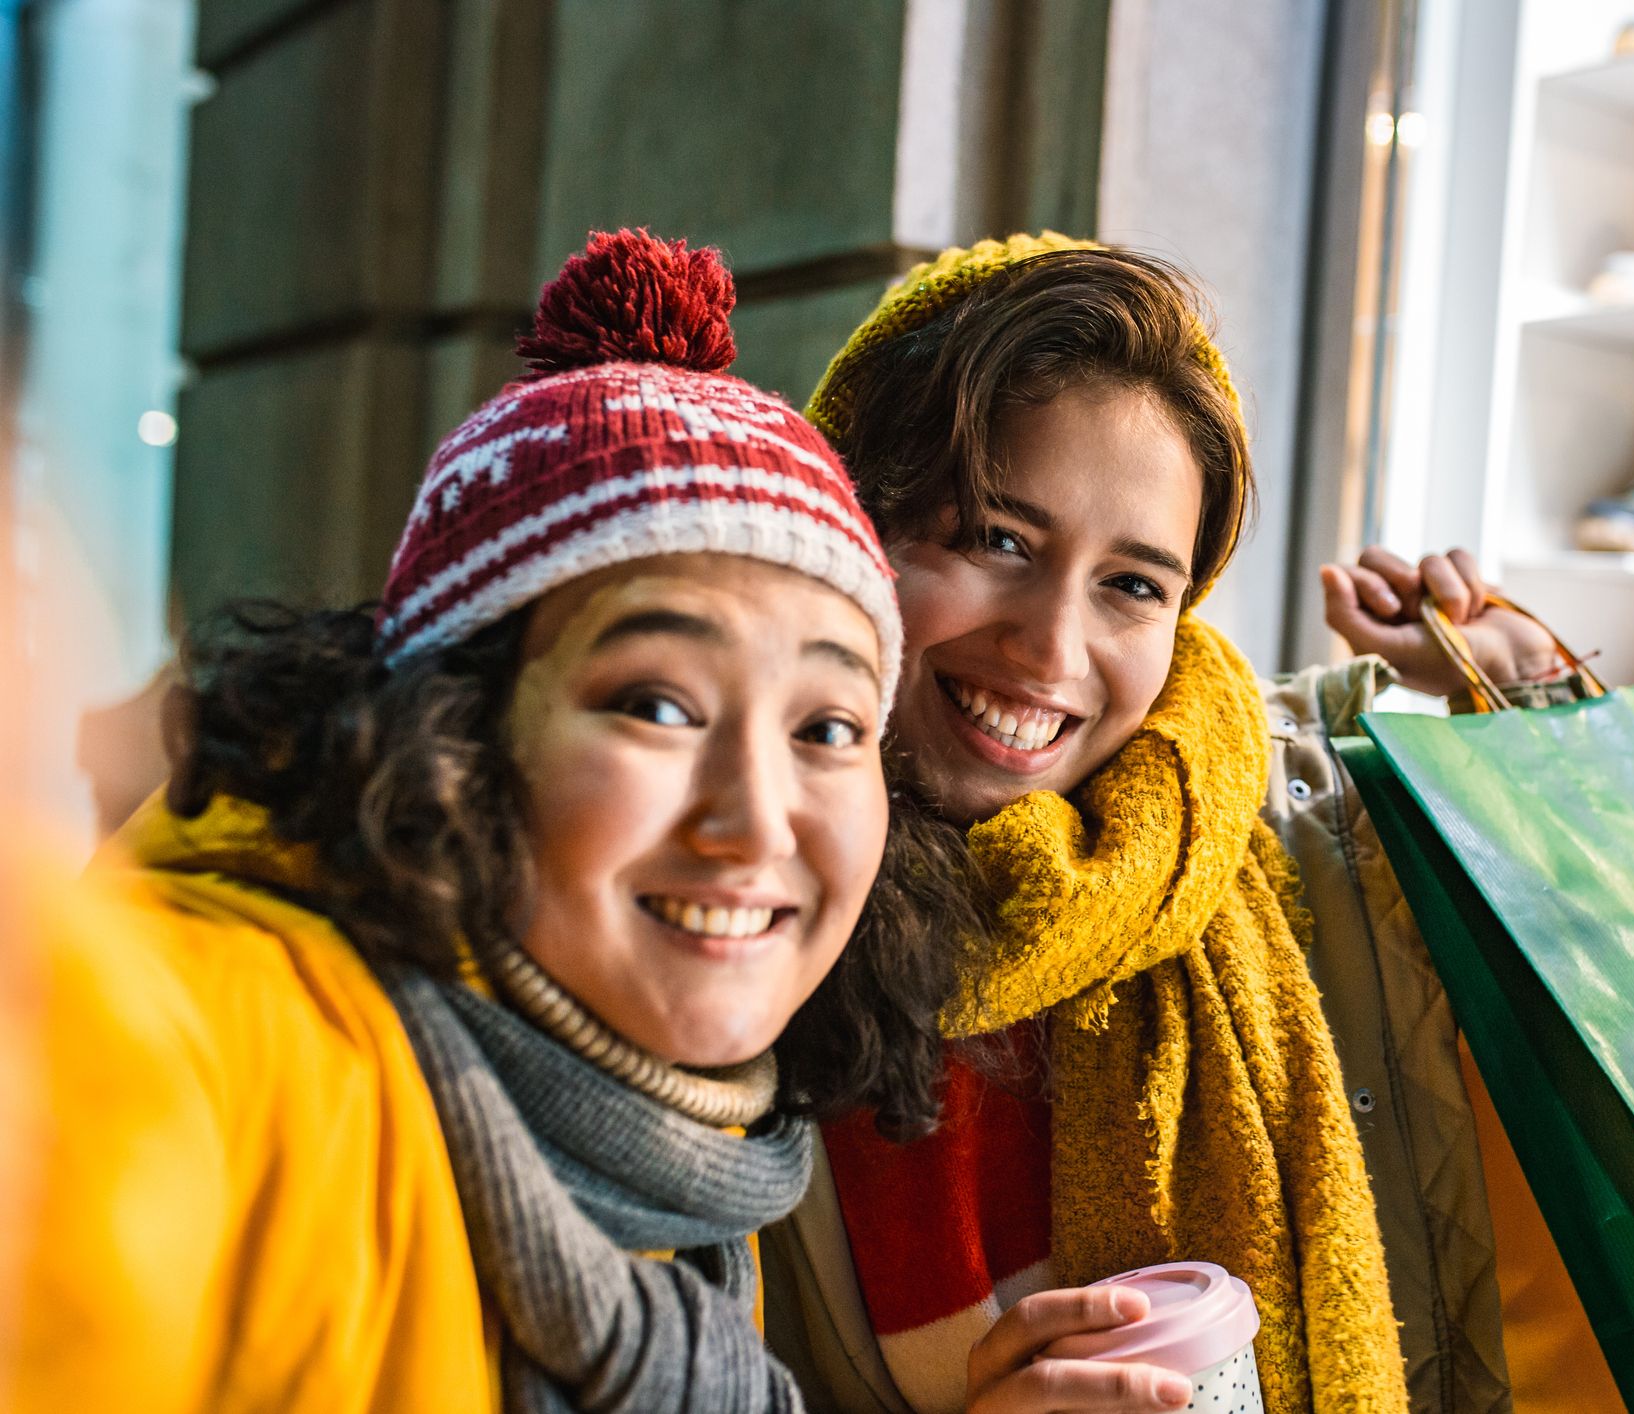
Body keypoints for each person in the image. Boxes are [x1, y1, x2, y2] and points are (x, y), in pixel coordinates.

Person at [4, 230, 973, 1413]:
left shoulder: (699, 1160)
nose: (758, 818)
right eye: (657, 704)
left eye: (826, 728)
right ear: (450, 735)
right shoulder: (267, 1044)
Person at [762, 234, 1621, 1414]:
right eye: (995, 539)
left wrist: (1517, 683)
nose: (1053, 649)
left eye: (1132, 585)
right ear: (853, 525)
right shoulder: (732, 898)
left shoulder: (1297, 816)